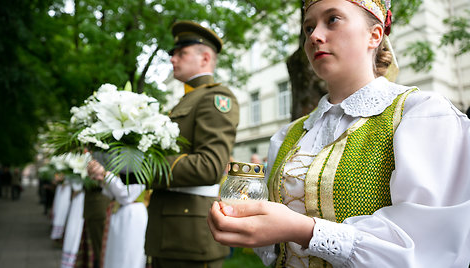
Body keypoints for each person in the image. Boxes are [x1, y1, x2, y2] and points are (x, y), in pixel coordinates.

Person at [207, 0, 470, 267]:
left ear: (375, 34)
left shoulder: (421, 115)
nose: (314, 36)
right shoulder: (290, 134)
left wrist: (306, 231)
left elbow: (430, 246)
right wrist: (245, 223)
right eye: (309, 27)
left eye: (332, 20)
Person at [144, 20, 239, 268]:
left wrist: (143, 167)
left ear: (205, 58)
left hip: (190, 237)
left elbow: (210, 166)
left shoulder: (216, 98)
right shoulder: (186, 100)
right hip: (170, 230)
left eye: (180, 53)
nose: (173, 59)